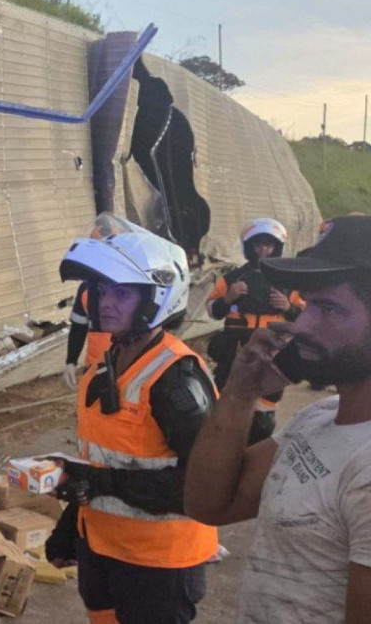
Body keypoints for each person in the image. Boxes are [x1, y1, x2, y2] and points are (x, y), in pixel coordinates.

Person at [185, 215, 371, 624]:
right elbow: (209, 504)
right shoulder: (321, 417)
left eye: (328, 308)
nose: (301, 324)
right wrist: (240, 392)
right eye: (305, 304)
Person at [46, 214, 218, 624]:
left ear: (156, 299)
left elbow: (206, 484)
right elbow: (106, 460)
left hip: (159, 563)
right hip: (101, 548)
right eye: (104, 289)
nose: (105, 302)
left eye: (122, 293)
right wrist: (72, 523)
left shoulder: (177, 379)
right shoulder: (108, 364)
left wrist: (99, 483)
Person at [205, 218, 303, 442]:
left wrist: (289, 307)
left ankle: (254, 445)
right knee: (223, 400)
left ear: (277, 247)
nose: (263, 249)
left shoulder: (289, 281)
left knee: (263, 414)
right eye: (258, 244)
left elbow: (307, 315)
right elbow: (212, 310)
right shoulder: (232, 278)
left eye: (268, 245)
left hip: (272, 349)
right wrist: (229, 297)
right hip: (235, 348)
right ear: (249, 247)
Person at [64, 281, 113, 389]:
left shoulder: (135, 288)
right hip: (94, 370)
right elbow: (78, 328)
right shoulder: (87, 288)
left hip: (128, 370)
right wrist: (71, 361)